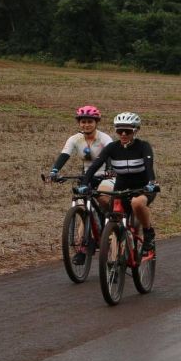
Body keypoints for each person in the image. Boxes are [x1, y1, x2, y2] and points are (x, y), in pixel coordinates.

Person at [80, 112, 159, 257]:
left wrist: (151, 183)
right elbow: (95, 165)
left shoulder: (143, 146)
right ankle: (114, 261)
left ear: (135, 130)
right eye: (119, 130)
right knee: (113, 217)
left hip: (142, 187)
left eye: (127, 131)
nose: (123, 134)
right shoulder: (112, 147)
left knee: (137, 203)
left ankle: (148, 233)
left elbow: (149, 166)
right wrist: (84, 183)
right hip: (121, 187)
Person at [48, 105, 115, 265]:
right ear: (79, 123)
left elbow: (110, 156)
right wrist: (54, 171)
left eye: (90, 122)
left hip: (105, 177)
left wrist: (110, 170)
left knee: (104, 200)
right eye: (83, 122)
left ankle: (111, 224)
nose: (86, 125)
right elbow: (64, 155)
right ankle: (83, 249)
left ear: (96, 122)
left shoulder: (104, 138)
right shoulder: (74, 139)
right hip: (86, 178)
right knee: (83, 208)